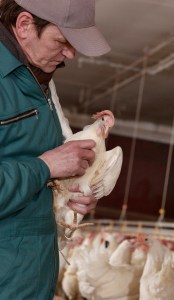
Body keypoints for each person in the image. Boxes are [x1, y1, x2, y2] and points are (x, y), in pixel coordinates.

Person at [0, 0, 110, 299]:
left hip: (29, 278)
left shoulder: (38, 83)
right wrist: (46, 167)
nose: (70, 54)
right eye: (62, 41)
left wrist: (66, 195)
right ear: (24, 26)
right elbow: (40, 166)